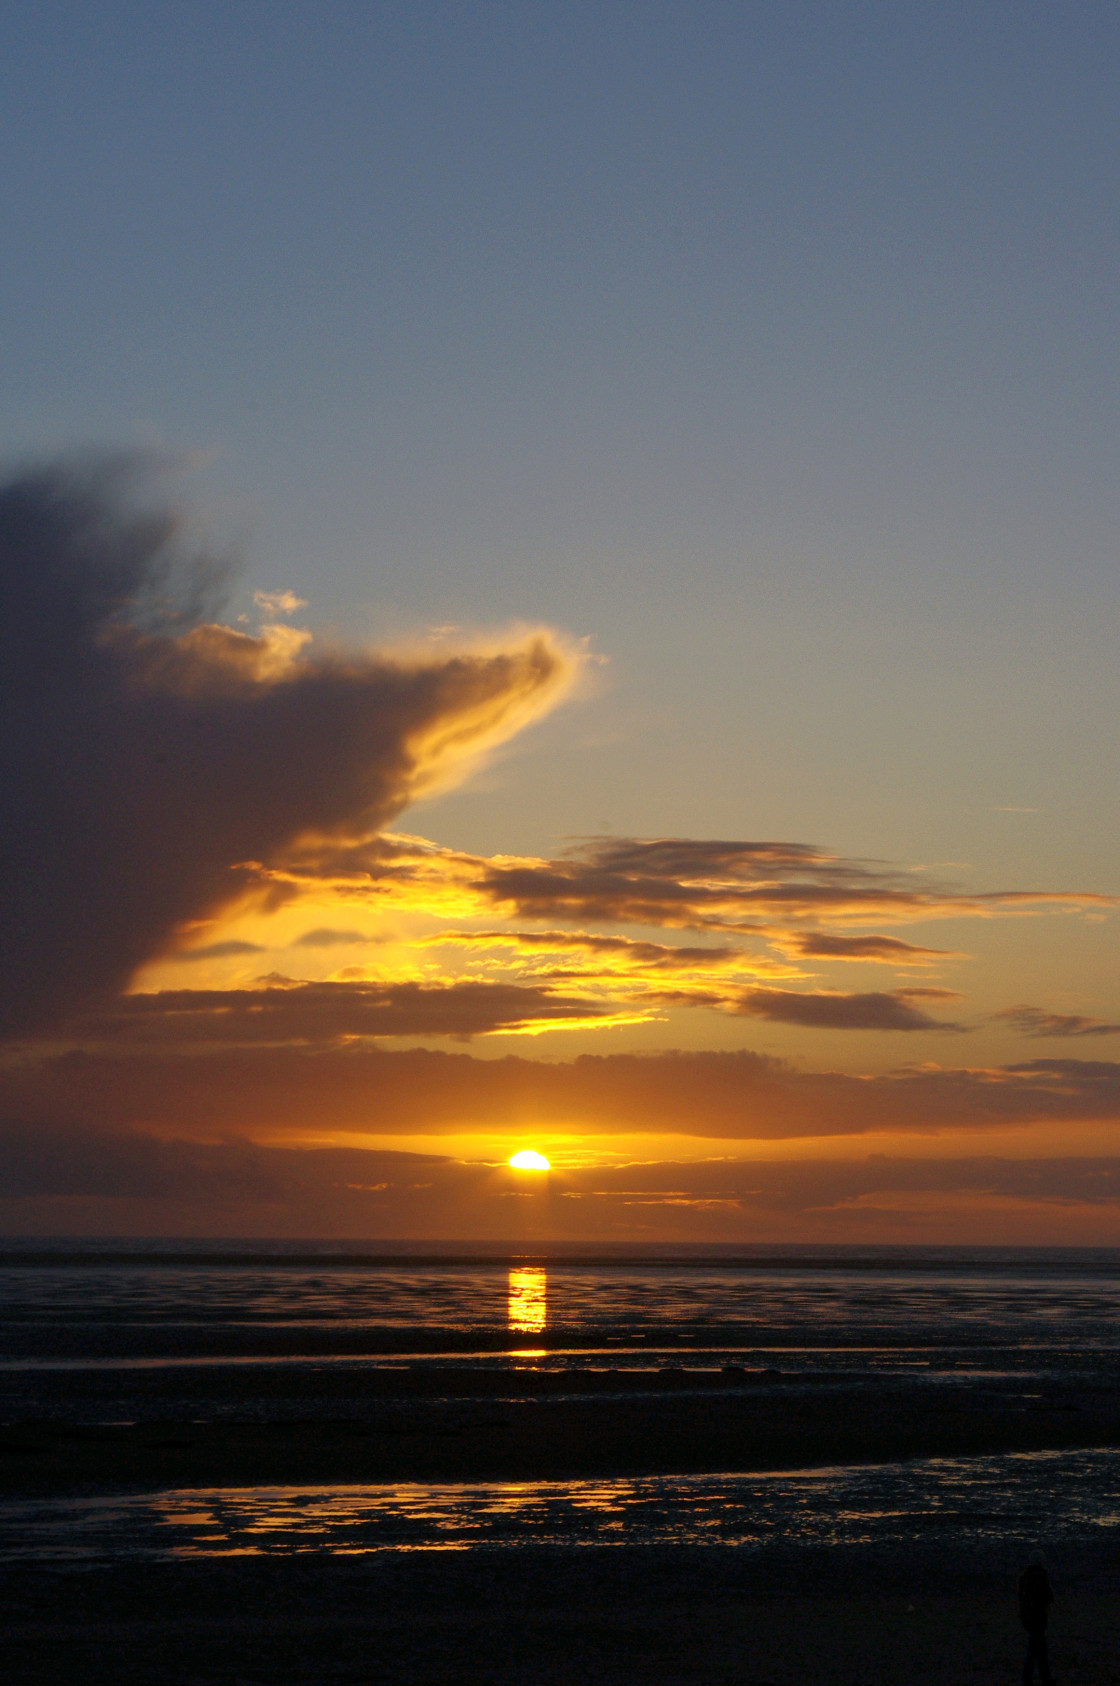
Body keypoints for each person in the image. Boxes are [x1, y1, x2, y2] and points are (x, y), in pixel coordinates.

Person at [1018, 1549, 1055, 1686]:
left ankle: (1042, 1678)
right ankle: (1035, 1678)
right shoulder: (1041, 1577)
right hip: (1038, 1617)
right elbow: (1049, 1597)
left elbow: (1020, 1597)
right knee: (1037, 1650)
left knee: (1037, 1649)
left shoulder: (1024, 1577)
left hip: (1026, 1617)